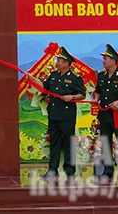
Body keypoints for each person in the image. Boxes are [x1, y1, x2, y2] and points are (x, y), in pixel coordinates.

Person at [31, 46, 85, 181]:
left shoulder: (75, 78)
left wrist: (71, 97)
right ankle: (52, 171)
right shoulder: (54, 75)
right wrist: (32, 79)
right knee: (54, 143)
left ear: (67, 63)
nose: (57, 62)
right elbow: (44, 87)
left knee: (68, 144)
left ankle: (70, 173)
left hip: (67, 116)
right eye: (57, 60)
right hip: (54, 114)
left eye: (60, 60)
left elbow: (81, 95)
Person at [93, 44, 118, 184]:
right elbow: (98, 91)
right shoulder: (101, 75)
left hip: (117, 115)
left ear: (113, 60)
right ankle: (108, 170)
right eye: (103, 58)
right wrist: (96, 100)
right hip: (104, 115)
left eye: (105, 58)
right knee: (105, 143)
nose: (103, 61)